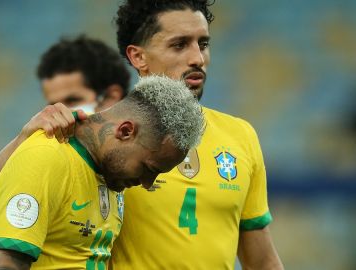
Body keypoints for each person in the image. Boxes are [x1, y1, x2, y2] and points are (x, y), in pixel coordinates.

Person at [109, 1, 284, 269]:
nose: (198, 58)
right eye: (179, 45)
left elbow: (262, 261)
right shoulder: (108, 136)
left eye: (203, 44)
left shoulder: (240, 135)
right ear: (138, 57)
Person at [0, 75, 206, 269]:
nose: (148, 183)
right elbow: (4, 264)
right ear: (126, 131)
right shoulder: (47, 155)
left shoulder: (109, 172)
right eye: (149, 169)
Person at [0, 36, 130, 211]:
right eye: (52, 104)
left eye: (72, 100)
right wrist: (25, 135)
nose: (60, 111)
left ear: (111, 97)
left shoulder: (155, 150)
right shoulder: (56, 149)